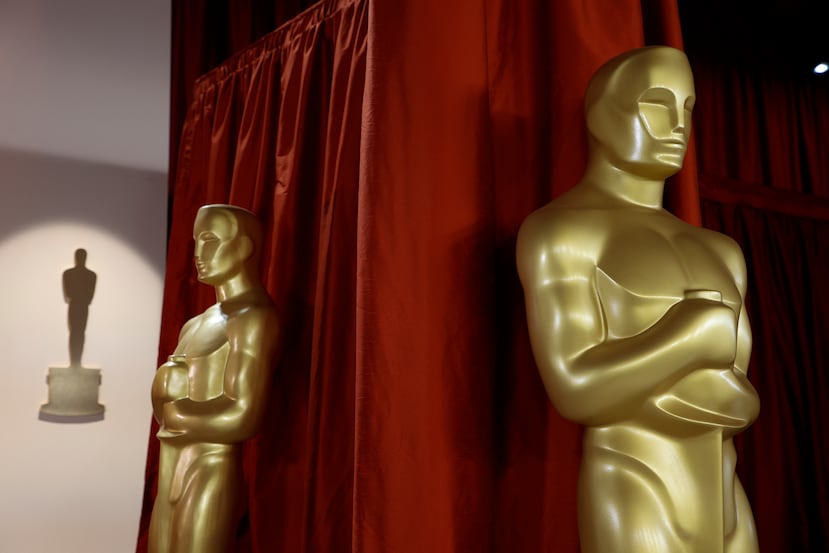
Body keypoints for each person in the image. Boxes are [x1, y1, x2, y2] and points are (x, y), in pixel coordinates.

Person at [516, 46, 760, 553]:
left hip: (727, 496)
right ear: (601, 115)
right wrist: (690, 337)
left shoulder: (722, 251)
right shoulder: (562, 234)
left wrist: (666, 375)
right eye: (657, 103)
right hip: (636, 486)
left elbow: (740, 399)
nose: (677, 126)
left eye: (687, 109)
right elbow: (576, 389)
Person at [149, 205, 280, 553]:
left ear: (244, 247)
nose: (198, 253)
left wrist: (176, 410)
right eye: (196, 242)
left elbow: (243, 414)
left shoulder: (252, 318)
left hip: (209, 467)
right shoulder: (196, 324)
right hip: (170, 466)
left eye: (210, 240)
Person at [63, 248, 96, 367]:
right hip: (78, 305)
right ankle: (74, 362)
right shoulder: (69, 274)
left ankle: (76, 362)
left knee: (79, 333)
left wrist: (78, 296)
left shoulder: (90, 275)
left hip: (79, 306)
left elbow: (89, 296)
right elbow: (67, 294)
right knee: (75, 333)